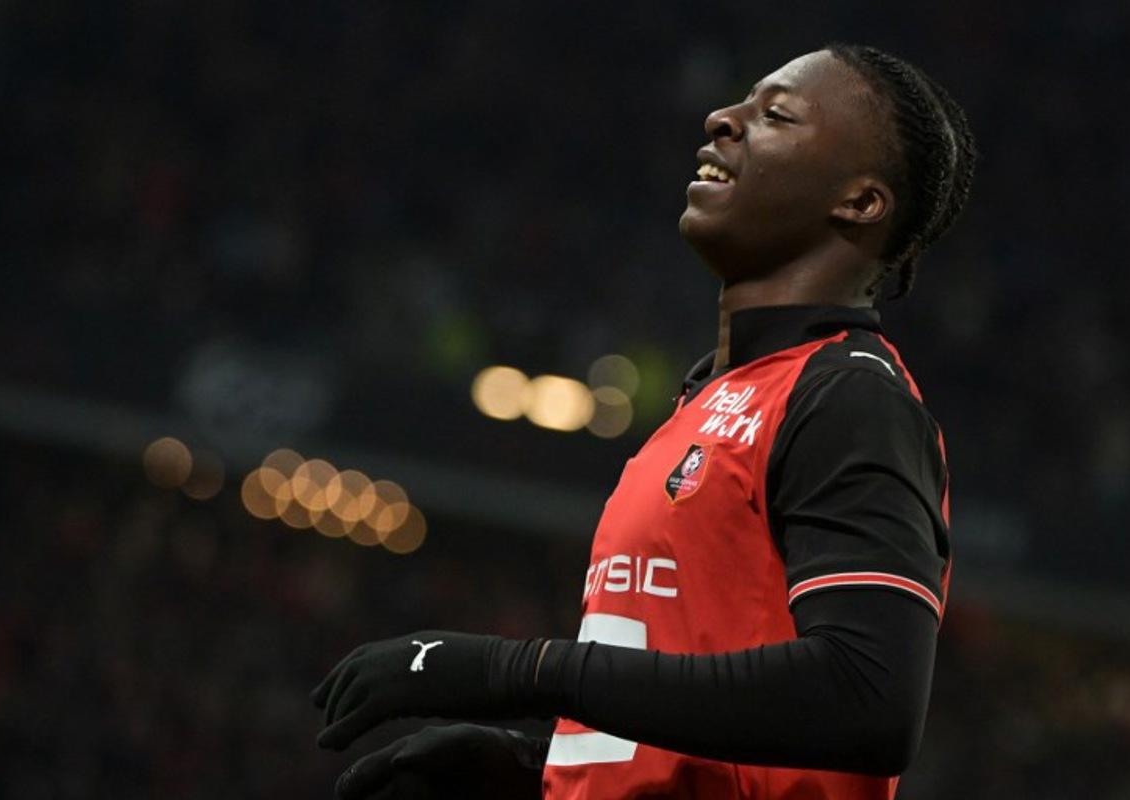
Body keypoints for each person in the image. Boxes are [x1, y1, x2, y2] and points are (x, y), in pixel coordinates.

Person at [310, 42, 976, 799]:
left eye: (775, 115)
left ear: (859, 202)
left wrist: (514, 671)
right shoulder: (706, 402)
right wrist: (532, 768)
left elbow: (868, 696)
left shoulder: (850, 398)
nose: (721, 118)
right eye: (741, 101)